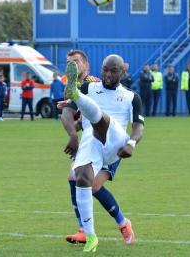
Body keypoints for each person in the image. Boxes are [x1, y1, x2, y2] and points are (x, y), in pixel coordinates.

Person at [64, 55, 145, 252]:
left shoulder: (131, 97)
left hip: (116, 144)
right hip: (92, 142)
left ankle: (123, 224)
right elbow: (67, 112)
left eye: (113, 71)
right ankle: (89, 231)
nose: (108, 74)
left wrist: (132, 143)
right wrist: (73, 135)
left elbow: (138, 127)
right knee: (77, 178)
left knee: (102, 118)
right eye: (106, 70)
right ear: (101, 69)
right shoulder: (90, 87)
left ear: (122, 72)